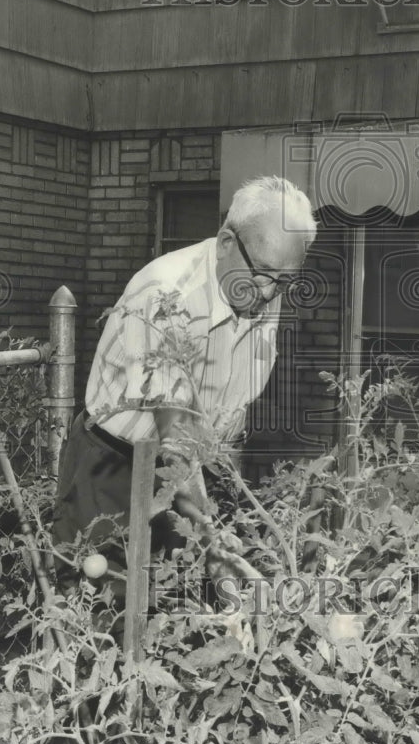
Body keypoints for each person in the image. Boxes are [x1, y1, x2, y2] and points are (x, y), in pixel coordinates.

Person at [52, 175, 317, 588]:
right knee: (100, 611)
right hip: (114, 470)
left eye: (285, 281)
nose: (269, 294)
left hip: (193, 473)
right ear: (227, 242)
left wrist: (222, 506)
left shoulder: (262, 283)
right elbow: (176, 433)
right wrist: (209, 538)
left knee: (184, 612)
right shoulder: (164, 295)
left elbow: (228, 411)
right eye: (264, 274)